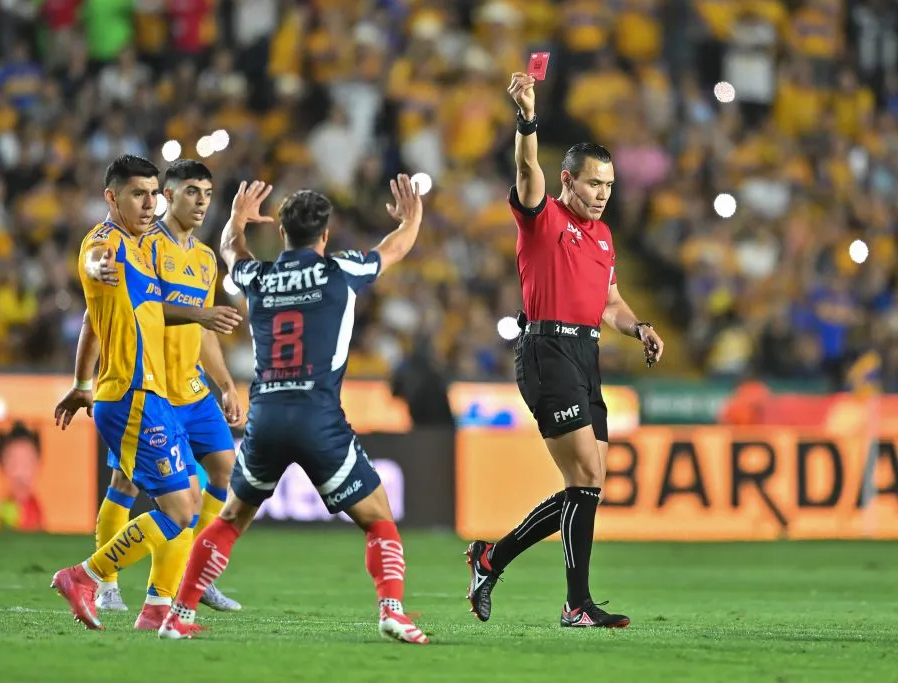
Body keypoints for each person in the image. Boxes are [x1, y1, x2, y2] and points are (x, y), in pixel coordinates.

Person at [157, 176, 430, 644]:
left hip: (265, 416)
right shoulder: (341, 269)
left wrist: (239, 218)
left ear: (282, 233)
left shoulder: (256, 276)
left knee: (230, 519)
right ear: (325, 235)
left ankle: (176, 615)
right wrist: (413, 217)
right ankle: (392, 610)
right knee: (378, 514)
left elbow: (229, 248)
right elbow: (397, 248)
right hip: (317, 414)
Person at [465, 74, 665, 629]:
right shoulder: (542, 216)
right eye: (594, 183)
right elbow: (526, 171)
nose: (602, 193)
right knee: (585, 475)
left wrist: (639, 326)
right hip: (546, 347)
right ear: (568, 179)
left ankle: (492, 558)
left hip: (587, 352)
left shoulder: (603, 239)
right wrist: (527, 118)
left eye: (609, 185)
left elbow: (611, 302)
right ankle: (574, 603)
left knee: (590, 481)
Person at [49, 154, 240, 630]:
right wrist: (96, 271)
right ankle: (88, 576)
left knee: (191, 498)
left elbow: (138, 312)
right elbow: (95, 264)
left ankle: (158, 612)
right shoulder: (109, 242)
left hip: (157, 392)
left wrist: (79, 384)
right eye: (139, 193)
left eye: (152, 193)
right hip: (133, 393)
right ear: (111, 197)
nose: (149, 203)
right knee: (174, 508)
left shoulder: (141, 248)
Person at [0, 422, 45, 531]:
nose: (20, 472)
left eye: (26, 463)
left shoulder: (33, 507)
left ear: (37, 464)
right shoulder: (6, 501)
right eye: (13, 463)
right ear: (2, 465)